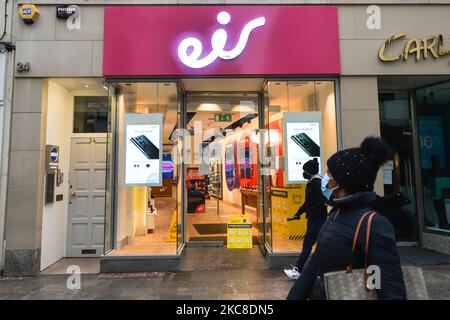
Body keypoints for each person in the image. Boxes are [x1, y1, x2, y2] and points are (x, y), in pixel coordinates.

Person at [287, 137, 407, 300]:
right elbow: (314, 264)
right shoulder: (337, 212)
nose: (325, 177)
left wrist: (370, 286)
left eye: (329, 173)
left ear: (344, 181)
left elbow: (386, 285)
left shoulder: (373, 224)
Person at [283, 158, 327, 280]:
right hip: (314, 219)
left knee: (307, 245)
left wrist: (311, 214)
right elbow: (307, 203)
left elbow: (320, 203)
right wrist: (298, 214)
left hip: (317, 220)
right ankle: (314, 271)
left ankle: (299, 270)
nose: (304, 173)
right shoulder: (312, 182)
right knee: (311, 245)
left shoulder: (317, 183)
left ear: (310, 172)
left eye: (305, 171)